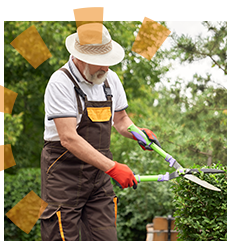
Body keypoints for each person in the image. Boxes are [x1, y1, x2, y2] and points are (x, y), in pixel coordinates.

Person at [39, 23, 161, 241]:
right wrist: (113, 168)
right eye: (101, 63)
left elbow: (121, 120)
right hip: (63, 174)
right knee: (60, 236)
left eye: (108, 62)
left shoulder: (109, 79)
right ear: (80, 57)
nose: (106, 69)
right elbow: (68, 138)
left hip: (98, 177)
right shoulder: (60, 83)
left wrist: (138, 133)